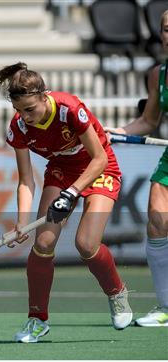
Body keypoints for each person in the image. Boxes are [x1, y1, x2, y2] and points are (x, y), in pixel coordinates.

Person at [0, 62, 133, 343]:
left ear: (44, 96)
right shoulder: (18, 127)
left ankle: (117, 293)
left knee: (86, 244)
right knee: (42, 243)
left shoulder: (69, 109)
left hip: (99, 169)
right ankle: (37, 319)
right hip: (61, 170)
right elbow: (25, 180)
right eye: (19, 110)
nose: (25, 117)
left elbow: (100, 158)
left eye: (30, 109)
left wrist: (71, 193)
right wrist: (21, 223)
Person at [105, 10, 168, 327]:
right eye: (167, 29)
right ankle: (166, 306)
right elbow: (149, 121)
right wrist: (115, 133)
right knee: (157, 223)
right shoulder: (159, 74)